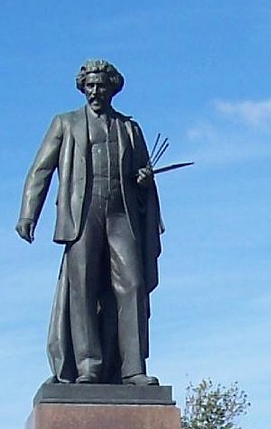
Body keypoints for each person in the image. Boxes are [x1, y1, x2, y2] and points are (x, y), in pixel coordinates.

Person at [17, 59, 163, 386]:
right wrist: (29, 213)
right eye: (90, 86)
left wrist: (143, 179)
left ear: (113, 88)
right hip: (81, 215)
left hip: (120, 214)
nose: (95, 91)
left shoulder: (129, 129)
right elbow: (40, 170)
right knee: (82, 288)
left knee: (133, 286)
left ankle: (132, 368)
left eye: (101, 85)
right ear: (83, 87)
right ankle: (88, 366)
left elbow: (143, 176)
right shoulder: (65, 124)